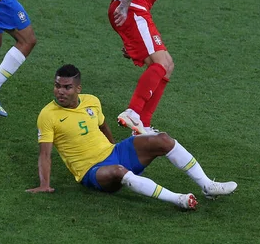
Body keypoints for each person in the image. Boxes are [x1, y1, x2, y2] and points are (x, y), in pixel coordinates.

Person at [26, 64, 237, 210]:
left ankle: (208, 185)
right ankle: (178, 199)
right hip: (92, 172)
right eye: (57, 86)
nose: (60, 91)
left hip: (114, 153)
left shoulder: (92, 101)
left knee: (162, 139)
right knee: (119, 171)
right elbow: (45, 154)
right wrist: (45, 184)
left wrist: (114, 146)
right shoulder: (48, 115)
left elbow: (102, 125)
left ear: (78, 89)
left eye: (66, 87)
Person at [109, 0, 224, 134]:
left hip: (137, 12)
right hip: (133, 9)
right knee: (161, 63)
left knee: (168, 66)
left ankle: (142, 125)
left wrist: (133, 40)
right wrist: (125, 4)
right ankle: (132, 112)